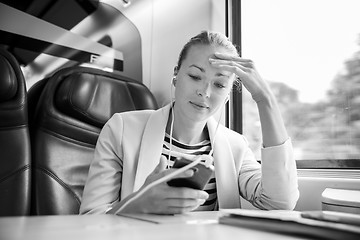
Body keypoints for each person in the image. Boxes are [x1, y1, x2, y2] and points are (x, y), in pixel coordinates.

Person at [79, 30, 299, 215]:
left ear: (228, 95)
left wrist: (265, 99)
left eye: (220, 85)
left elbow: (279, 204)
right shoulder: (121, 129)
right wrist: (137, 205)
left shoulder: (235, 146)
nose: (204, 92)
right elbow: (90, 221)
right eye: (195, 76)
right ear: (176, 75)